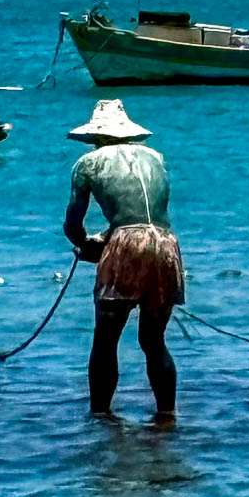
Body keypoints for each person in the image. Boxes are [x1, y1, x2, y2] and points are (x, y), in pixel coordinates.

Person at [63, 100, 184, 417]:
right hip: (167, 246)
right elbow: (146, 218)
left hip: (126, 246)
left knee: (106, 340)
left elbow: (73, 226)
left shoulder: (88, 164)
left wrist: (89, 247)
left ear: (98, 136)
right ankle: (167, 418)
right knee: (153, 341)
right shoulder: (156, 158)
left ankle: (100, 417)